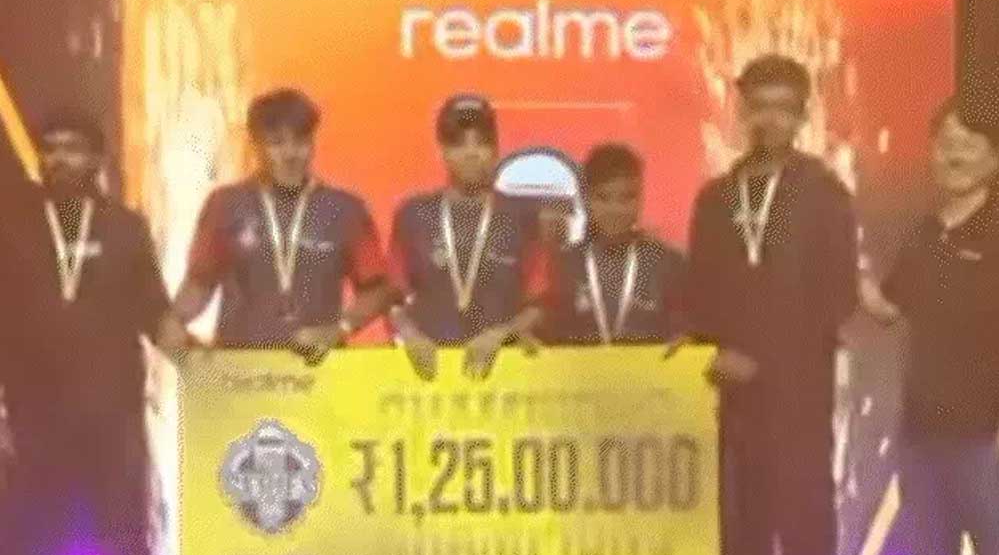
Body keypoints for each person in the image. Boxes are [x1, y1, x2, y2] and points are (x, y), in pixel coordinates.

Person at [685, 54, 858, 555]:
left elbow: (838, 298)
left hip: (798, 407)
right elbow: (699, 296)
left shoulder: (825, 193)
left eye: (784, 109)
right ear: (742, 112)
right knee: (740, 551)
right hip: (732, 409)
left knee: (808, 548)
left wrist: (765, 364)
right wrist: (715, 354)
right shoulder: (715, 198)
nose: (770, 120)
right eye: (759, 107)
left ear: (803, 115)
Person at [0, 115, 185, 555]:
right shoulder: (10, 225)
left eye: (73, 149)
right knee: (32, 537)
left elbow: (155, 311)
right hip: (35, 415)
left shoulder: (126, 228)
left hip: (111, 417)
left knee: (120, 534)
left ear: (98, 160)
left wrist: (202, 362)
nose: (59, 159)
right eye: (50, 149)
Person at [859, 101, 999, 555]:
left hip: (987, 437)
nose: (954, 155)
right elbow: (889, 309)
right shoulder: (924, 232)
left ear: (995, 156)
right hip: (922, 434)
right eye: (945, 143)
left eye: (969, 144)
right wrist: (846, 272)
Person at [173, 89, 393, 362]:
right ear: (255, 146)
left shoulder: (345, 209)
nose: (290, 154)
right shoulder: (225, 205)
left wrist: (340, 328)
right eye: (276, 143)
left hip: (319, 369)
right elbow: (199, 283)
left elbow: (378, 289)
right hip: (241, 369)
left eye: (301, 142)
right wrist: (171, 324)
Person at [388, 94, 545, 379]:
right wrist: (409, 335)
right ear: (442, 151)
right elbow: (391, 299)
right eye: (458, 144)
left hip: (504, 373)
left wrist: (502, 334)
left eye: (481, 142)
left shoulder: (524, 217)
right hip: (427, 375)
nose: (471, 153)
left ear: (496, 149)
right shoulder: (413, 215)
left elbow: (541, 304)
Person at [538, 143, 686, 346]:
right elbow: (548, 332)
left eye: (627, 198)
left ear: (641, 198)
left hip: (648, 367)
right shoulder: (565, 264)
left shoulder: (668, 262)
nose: (615, 209)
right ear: (586, 199)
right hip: (580, 367)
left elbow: (686, 330)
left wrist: (687, 339)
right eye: (603, 198)